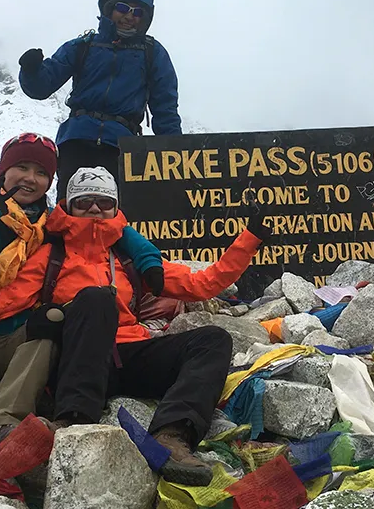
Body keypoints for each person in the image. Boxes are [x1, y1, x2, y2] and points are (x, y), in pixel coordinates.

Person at [0, 133, 165, 456]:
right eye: (21, 167)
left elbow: (111, 228)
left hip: (18, 341)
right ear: (2, 171)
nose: (30, 178)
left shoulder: (48, 222)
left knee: (53, 317)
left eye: (41, 173)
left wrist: (150, 261)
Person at [30, 166, 270, 486]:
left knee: (213, 340)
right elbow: (1, 302)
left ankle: (171, 436)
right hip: (77, 358)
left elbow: (203, 284)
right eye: (84, 200)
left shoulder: (128, 258)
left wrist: (249, 239)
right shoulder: (49, 256)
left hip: (129, 352)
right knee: (95, 299)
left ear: (116, 207)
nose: (94, 209)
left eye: (103, 202)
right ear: (68, 204)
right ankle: (73, 422)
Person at [18, 0, 181, 200]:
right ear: (109, 8)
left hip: (122, 148)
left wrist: (176, 152)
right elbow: (41, 87)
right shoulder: (82, 46)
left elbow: (165, 108)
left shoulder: (152, 53)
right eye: (123, 8)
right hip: (76, 142)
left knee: (114, 216)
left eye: (138, 12)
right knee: (69, 211)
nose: (129, 16)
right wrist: (31, 71)